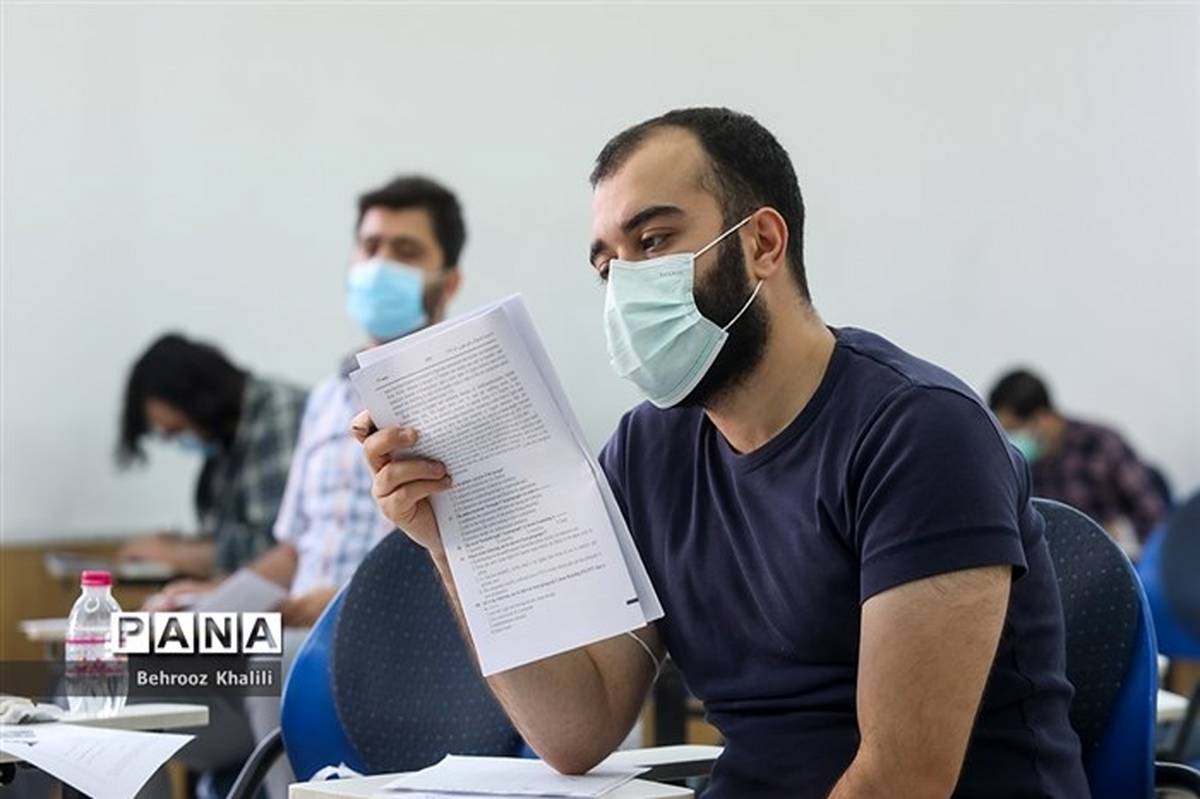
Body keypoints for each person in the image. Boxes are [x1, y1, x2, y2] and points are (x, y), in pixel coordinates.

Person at [355, 108, 1089, 798]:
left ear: (763, 243)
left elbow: (902, 780)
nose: (625, 287)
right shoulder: (647, 451)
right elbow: (577, 730)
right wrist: (456, 540)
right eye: (608, 267)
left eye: (653, 241)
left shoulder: (920, 433)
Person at [156, 175, 466, 799]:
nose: (381, 264)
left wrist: (345, 597)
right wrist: (211, 602)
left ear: (448, 280)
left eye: (406, 251)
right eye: (370, 247)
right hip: (288, 622)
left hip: (384, 633)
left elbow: (473, 545)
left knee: (279, 659)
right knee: (121, 659)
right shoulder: (325, 400)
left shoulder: (462, 388)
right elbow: (294, 547)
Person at [117, 333, 307, 578]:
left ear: (200, 404)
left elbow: (280, 551)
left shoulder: (281, 418)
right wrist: (178, 545)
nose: (182, 442)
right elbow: (225, 534)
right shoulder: (225, 440)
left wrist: (174, 554)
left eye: (177, 430)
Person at [989, 368, 1167, 545]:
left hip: (1118, 553)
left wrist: (1122, 536)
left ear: (1044, 418)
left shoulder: (1100, 444)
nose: (1011, 440)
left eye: (1015, 430)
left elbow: (1152, 515)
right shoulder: (1019, 466)